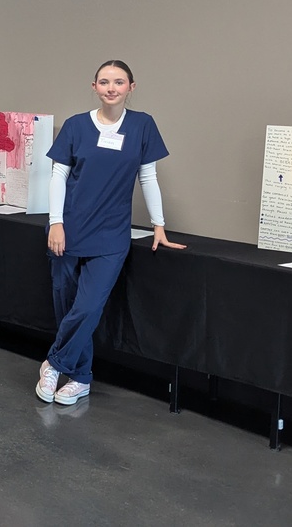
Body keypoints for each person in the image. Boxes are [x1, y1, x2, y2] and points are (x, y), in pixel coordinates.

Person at [38, 59, 186, 405]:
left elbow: (147, 177)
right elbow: (58, 176)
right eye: (104, 82)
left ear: (131, 88)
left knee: (87, 308)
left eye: (119, 82)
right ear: (94, 87)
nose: (111, 88)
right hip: (68, 229)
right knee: (66, 307)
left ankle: (54, 363)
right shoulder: (76, 126)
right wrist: (56, 222)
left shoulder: (142, 126)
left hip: (110, 234)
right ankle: (81, 378)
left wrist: (158, 225)